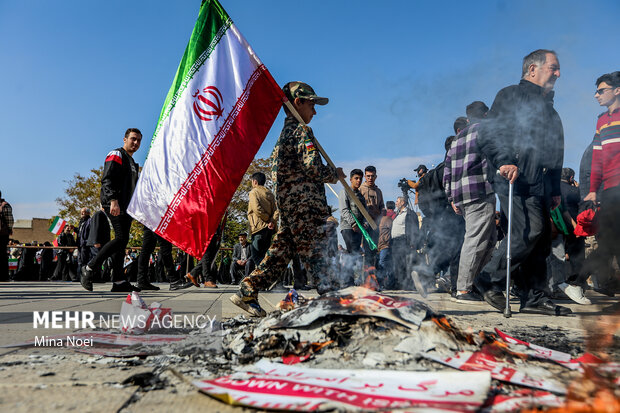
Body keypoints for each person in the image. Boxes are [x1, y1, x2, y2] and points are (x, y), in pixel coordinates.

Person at [231, 81, 344, 317]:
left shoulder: (282, 138)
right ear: (297, 103)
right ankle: (331, 297)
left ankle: (247, 290)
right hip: (304, 206)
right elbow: (312, 168)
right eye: (311, 104)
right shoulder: (301, 132)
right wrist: (334, 175)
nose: (314, 110)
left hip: (290, 206)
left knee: (279, 255)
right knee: (317, 250)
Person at [477, 49, 571, 316]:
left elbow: (555, 153)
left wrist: (554, 190)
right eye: (553, 67)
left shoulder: (551, 112)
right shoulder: (510, 95)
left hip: (540, 183)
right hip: (514, 177)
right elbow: (491, 132)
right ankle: (488, 279)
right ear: (532, 69)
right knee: (528, 230)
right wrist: (504, 160)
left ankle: (534, 296)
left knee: (540, 238)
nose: (558, 73)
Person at [443, 110, 495, 303]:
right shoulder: (483, 130)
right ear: (485, 114)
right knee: (475, 240)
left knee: (489, 239)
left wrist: (452, 199)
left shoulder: (455, 140)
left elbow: (446, 174)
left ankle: (473, 283)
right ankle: (464, 289)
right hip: (479, 191)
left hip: (462, 197)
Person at [81, 128, 142, 292]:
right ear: (125, 139)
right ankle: (89, 268)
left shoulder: (133, 163)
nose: (135, 143)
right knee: (121, 238)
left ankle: (119, 281)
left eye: (138, 141)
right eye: (133, 139)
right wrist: (113, 200)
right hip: (114, 204)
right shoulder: (117, 154)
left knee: (122, 244)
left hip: (127, 207)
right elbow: (107, 179)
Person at [584, 71, 620, 303]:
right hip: (609, 191)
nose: (596, 95)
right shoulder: (601, 120)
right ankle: (575, 280)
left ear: (617, 90)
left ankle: (574, 280)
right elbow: (597, 158)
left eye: (601, 90)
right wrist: (593, 188)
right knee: (608, 240)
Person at [246, 172, 278, 276]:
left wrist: (267, 220)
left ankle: (267, 275)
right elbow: (276, 210)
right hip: (269, 229)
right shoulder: (270, 193)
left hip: (258, 227)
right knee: (265, 255)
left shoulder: (253, 192)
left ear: (255, 181)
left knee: (255, 254)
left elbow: (256, 209)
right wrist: (272, 221)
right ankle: (269, 278)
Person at [359, 165, 384, 267]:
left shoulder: (378, 191)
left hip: (376, 226)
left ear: (376, 177)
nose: (370, 178)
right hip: (364, 226)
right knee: (366, 252)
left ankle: (374, 277)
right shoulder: (361, 189)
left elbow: (382, 206)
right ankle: (367, 278)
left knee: (374, 252)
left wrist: (380, 213)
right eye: (368, 176)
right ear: (365, 176)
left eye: (372, 176)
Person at [339, 169, 367, 254]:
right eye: (356, 178)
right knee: (352, 251)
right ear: (351, 179)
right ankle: (349, 267)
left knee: (356, 252)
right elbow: (344, 210)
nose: (358, 181)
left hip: (359, 228)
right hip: (348, 227)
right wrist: (353, 224)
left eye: (360, 179)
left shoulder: (361, 197)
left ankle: (354, 267)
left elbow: (365, 213)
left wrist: (365, 223)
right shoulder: (345, 192)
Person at [377, 200, 396, 289]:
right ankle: (388, 282)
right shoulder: (391, 216)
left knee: (383, 263)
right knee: (386, 263)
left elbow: (391, 230)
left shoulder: (387, 218)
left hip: (385, 244)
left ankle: (385, 282)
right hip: (385, 244)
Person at [0, 191, 14, 282]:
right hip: (2, 234)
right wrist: (9, 229)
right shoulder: (5, 205)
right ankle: (3, 276)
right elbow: (10, 220)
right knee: (2, 255)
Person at [76, 208, 91, 278]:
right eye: (81, 212)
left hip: (85, 245)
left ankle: (84, 277)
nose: (82, 213)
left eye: (83, 212)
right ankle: (79, 276)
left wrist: (86, 241)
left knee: (84, 261)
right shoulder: (81, 222)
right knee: (79, 261)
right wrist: (75, 229)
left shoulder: (89, 221)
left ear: (88, 213)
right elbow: (80, 232)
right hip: (79, 245)